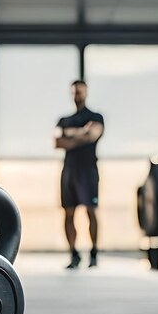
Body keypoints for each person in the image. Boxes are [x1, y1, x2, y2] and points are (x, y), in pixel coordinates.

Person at [54, 80, 104, 269]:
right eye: (75, 92)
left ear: (86, 93)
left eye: (81, 92)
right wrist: (81, 133)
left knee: (91, 210)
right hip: (69, 171)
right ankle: (74, 254)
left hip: (88, 170)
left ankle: (93, 253)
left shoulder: (96, 117)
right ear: (71, 93)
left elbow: (92, 136)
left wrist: (70, 136)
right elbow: (57, 142)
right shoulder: (64, 120)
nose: (78, 95)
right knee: (68, 212)